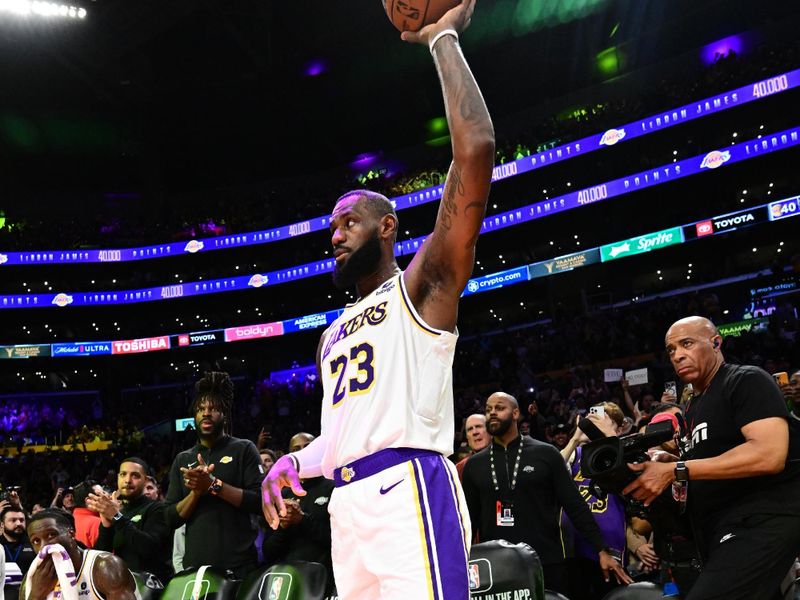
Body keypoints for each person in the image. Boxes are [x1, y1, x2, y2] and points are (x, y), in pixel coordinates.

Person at [262, 2, 494, 597]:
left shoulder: (423, 285)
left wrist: (442, 39)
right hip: (347, 507)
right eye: (331, 229)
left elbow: (475, 149)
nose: (334, 236)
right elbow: (341, 439)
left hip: (409, 489)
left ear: (387, 226)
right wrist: (294, 463)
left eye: (347, 222)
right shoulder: (331, 334)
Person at [624, 316, 800, 600]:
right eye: (671, 350)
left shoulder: (745, 379)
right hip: (723, 527)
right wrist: (667, 463)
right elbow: (710, 464)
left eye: (687, 343)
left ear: (716, 342)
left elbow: (769, 454)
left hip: (763, 517)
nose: (678, 355)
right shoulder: (694, 406)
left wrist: (677, 469)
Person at [461, 392, 631, 594]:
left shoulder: (546, 454)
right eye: (488, 410)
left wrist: (601, 550)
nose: (493, 413)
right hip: (498, 567)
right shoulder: (474, 466)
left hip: (547, 562)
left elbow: (575, 505)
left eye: (499, 408)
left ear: (515, 413)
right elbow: (468, 521)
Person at [165, 372, 264, 579]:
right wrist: (196, 493)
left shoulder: (244, 448)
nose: (206, 413)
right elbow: (170, 518)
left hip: (240, 567)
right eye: (201, 409)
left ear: (224, 414)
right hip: (196, 570)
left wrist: (213, 485)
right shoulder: (183, 459)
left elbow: (259, 501)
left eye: (213, 409)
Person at [560, 403, 629, 600]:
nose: (596, 425)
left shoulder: (623, 451)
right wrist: (575, 439)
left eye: (604, 420)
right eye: (593, 421)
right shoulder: (577, 454)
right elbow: (550, 472)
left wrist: (609, 436)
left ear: (619, 427)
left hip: (609, 545)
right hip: (574, 547)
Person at [262, 433, 334, 590]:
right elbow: (268, 552)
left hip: (324, 581)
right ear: (290, 456)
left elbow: (339, 540)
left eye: (307, 447)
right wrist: (283, 527)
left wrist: (302, 520)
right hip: (288, 582)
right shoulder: (280, 494)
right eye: (296, 449)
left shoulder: (333, 486)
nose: (302, 452)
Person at [88, 457, 173, 584]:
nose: (127, 480)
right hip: (124, 588)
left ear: (145, 481)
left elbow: (148, 548)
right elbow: (100, 556)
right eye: (123, 474)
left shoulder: (157, 509)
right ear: (117, 478)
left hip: (153, 589)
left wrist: (116, 517)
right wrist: (106, 524)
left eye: (135, 476)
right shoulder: (118, 512)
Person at [20, 509, 136, 600]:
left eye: (51, 535)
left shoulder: (105, 566)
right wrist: (35, 596)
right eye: (36, 541)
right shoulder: (32, 579)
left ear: (71, 534)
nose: (44, 546)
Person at [1, 507, 35, 600]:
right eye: (13, 520)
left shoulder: (34, 544)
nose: (19, 523)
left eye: (21, 520)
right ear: (2, 525)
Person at [70, 481, 102, 549]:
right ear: (89, 501)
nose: (106, 497)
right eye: (100, 495)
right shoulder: (97, 523)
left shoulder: (69, 520)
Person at [456, 414, 489, 478]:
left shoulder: (504, 459)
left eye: (479, 426)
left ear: (490, 431)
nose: (475, 432)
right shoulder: (460, 468)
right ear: (467, 437)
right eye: (470, 429)